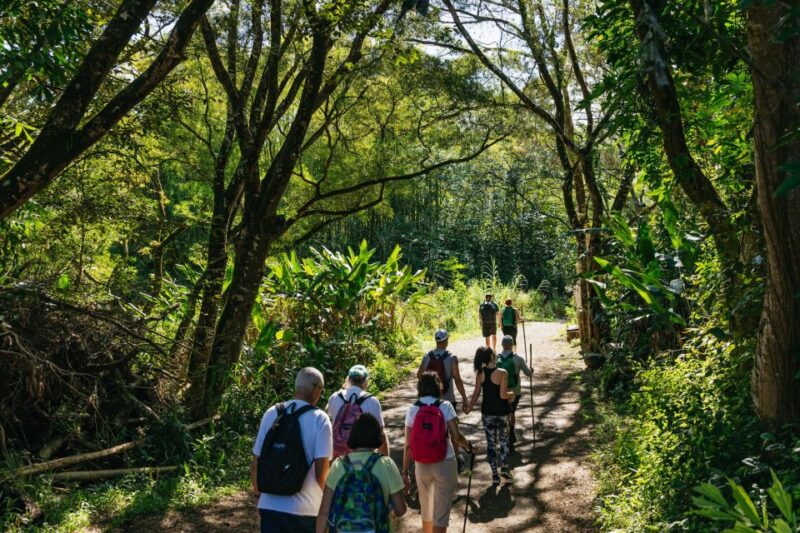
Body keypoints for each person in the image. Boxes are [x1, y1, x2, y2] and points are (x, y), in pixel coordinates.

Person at [251, 367, 332, 533]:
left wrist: (259, 496)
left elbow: (256, 462)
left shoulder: (272, 413)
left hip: (270, 506)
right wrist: (328, 506)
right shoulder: (320, 419)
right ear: (316, 390)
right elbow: (321, 472)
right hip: (306, 510)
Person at [316, 413, 406, 533]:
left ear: (353, 435)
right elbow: (401, 509)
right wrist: (390, 513)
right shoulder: (386, 464)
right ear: (378, 436)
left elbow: (324, 512)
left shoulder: (338, 465)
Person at [402, 372, 466, 533]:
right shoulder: (445, 406)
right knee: (441, 515)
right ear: (438, 386)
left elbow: (408, 445)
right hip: (445, 461)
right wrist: (469, 445)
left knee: (427, 512)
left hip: (422, 464)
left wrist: (405, 472)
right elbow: (456, 436)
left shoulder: (413, 409)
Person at [464, 346, 515, 484]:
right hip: (502, 412)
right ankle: (504, 468)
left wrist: (469, 407)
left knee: (491, 443)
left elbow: (476, 394)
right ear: (492, 357)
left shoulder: (480, 374)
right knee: (504, 441)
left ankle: (494, 474)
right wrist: (512, 394)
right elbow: (503, 395)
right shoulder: (502, 373)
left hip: (487, 413)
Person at [327, 364, 389, 457]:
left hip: (339, 457)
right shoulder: (372, 400)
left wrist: (343, 387)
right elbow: (381, 435)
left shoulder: (335, 397)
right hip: (365, 457)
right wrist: (386, 461)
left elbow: (329, 416)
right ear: (366, 382)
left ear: (348, 379)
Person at [496, 335, 533, 453]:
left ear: (502, 345)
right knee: (511, 412)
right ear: (512, 345)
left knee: (503, 413)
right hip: (515, 392)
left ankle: (504, 436)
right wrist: (531, 370)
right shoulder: (519, 358)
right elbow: (528, 373)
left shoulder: (496, 359)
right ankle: (511, 434)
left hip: (501, 391)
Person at [417, 329, 468, 412]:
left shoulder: (427, 356)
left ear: (436, 341)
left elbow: (419, 375)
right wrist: (464, 398)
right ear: (446, 341)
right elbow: (457, 380)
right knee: (451, 424)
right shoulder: (452, 357)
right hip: (447, 400)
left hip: (430, 402)